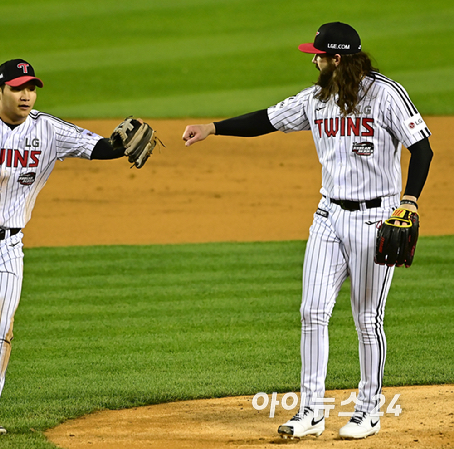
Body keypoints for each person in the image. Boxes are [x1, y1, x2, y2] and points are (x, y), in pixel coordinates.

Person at [183, 22, 433, 440]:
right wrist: (213, 128)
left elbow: (421, 148)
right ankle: (312, 411)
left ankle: (368, 411)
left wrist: (409, 202)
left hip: (377, 220)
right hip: (327, 218)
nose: (312, 61)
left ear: (337, 60)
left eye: (317, 55)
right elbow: (267, 119)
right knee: (312, 312)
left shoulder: (385, 94)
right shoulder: (316, 99)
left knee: (367, 319)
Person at [0, 59, 127, 435]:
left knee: (1, 328)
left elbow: (97, 147)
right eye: (17, 88)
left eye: (31, 88)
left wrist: (122, 147)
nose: (26, 94)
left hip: (8, 247)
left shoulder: (48, 130)